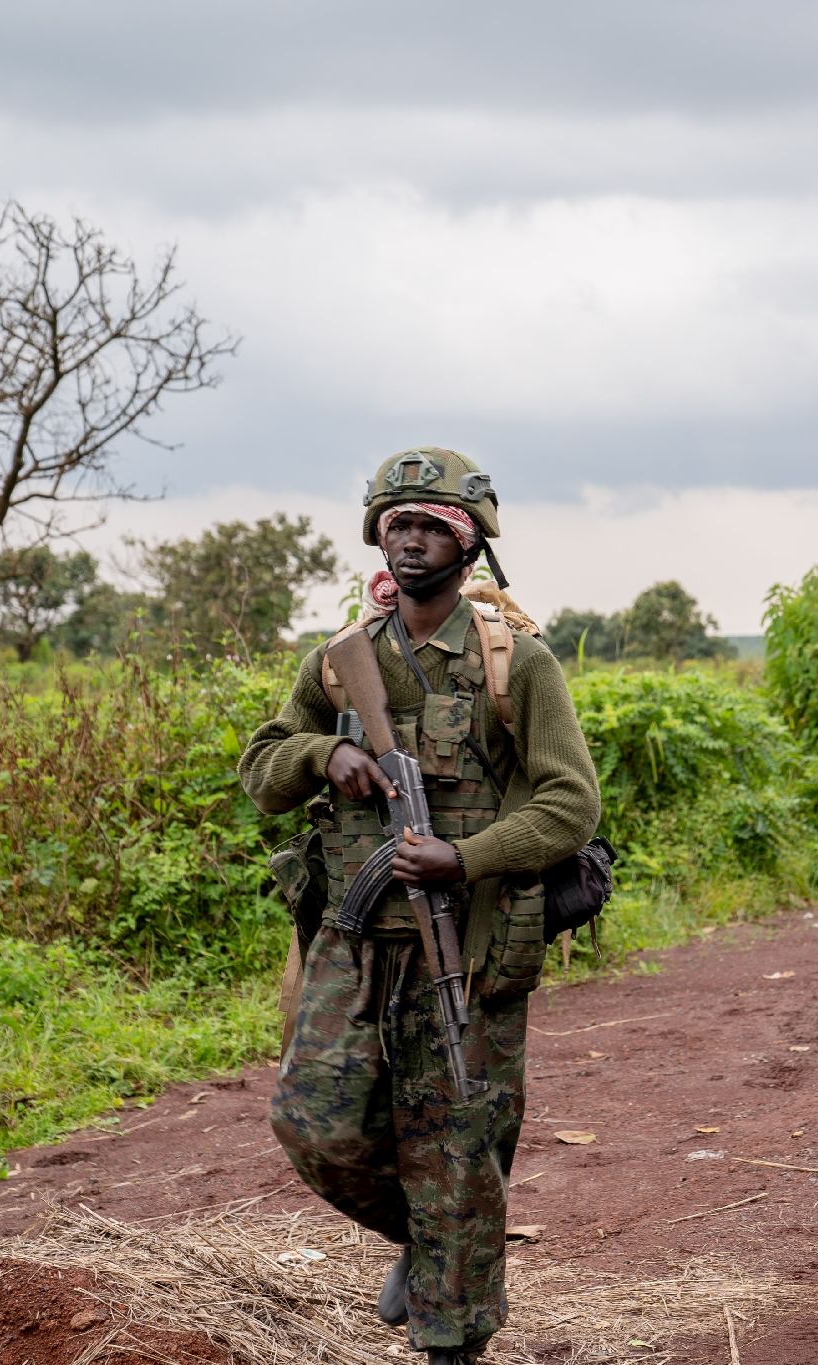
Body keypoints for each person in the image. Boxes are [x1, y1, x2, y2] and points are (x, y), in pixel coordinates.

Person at [239, 448, 601, 1365]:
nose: (410, 536)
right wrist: (324, 757)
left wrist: (465, 856)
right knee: (311, 1121)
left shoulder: (517, 665)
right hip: (354, 940)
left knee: (457, 1148)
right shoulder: (339, 664)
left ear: (469, 545)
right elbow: (261, 770)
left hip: (469, 949)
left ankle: (451, 1338)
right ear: (376, 534)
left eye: (431, 522)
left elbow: (569, 805)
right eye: (396, 521)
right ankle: (435, 1239)